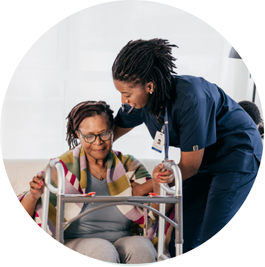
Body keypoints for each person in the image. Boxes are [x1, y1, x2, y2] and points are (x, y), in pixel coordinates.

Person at [112, 38, 263, 255]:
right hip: (204, 160)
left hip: (237, 154)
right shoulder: (140, 103)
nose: (124, 100)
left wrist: (150, 184)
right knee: (179, 237)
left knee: (212, 233)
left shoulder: (191, 98)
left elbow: (189, 167)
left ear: (150, 86)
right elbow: (108, 134)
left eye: (127, 94)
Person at [19, 100, 173, 263]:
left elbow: (154, 216)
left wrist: (159, 183)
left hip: (122, 238)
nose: (98, 142)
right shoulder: (60, 167)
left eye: (104, 134)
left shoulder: (128, 165)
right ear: (79, 135)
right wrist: (33, 195)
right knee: (103, 249)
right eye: (89, 136)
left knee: (142, 246)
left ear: (112, 131)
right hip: (74, 242)